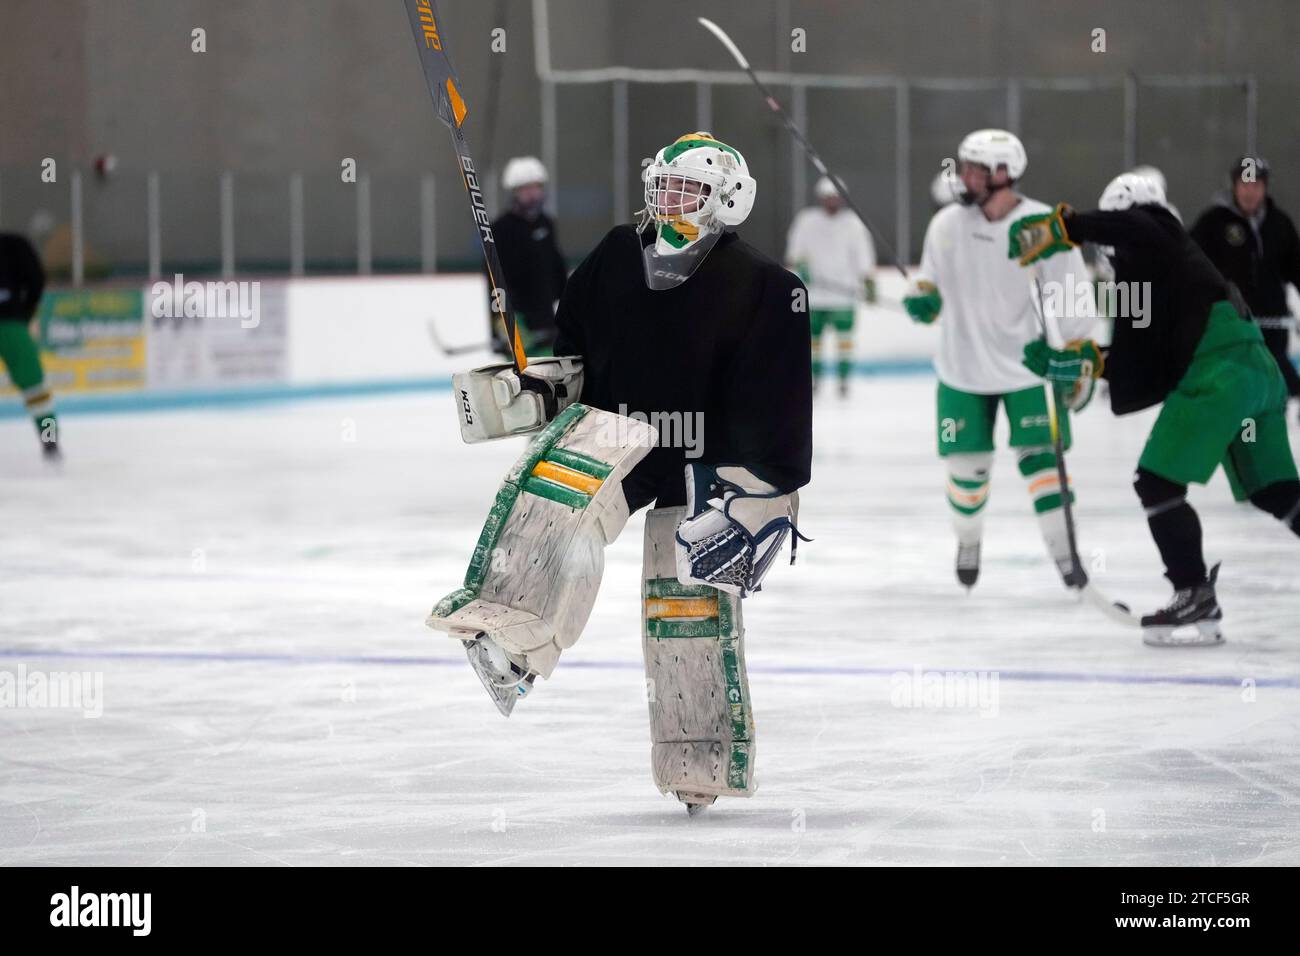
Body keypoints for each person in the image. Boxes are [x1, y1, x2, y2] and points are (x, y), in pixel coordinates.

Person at [428, 132, 812, 814]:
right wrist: (542, 387)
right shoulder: (613, 256)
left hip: (704, 458)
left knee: (687, 611)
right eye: (662, 185)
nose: (669, 200)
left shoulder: (766, 286)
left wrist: (768, 492)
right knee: (557, 521)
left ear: (728, 199)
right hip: (616, 431)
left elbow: (779, 404)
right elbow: (576, 348)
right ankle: (516, 650)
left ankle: (702, 765)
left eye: (688, 189)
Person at [1009, 172, 1300, 645]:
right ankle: (1194, 593)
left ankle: (1192, 593)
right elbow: (1140, 366)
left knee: (1158, 482)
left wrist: (1068, 226)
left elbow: (1138, 228)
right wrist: (1080, 363)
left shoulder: (1158, 230)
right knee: (1277, 492)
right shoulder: (1154, 280)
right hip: (1254, 378)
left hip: (1219, 377)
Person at [902, 129, 1096, 589]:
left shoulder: (1042, 226)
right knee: (967, 474)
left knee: (1043, 466)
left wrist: (1076, 357)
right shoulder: (947, 224)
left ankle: (1067, 558)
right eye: (964, 167)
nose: (963, 178)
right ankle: (968, 541)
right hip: (961, 370)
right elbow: (928, 280)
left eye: (975, 170)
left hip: (1029, 372)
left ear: (1004, 174)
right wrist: (922, 297)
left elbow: (1071, 299)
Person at [1190, 157, 1300, 415]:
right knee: (1232, 393)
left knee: (1271, 395)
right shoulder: (1213, 222)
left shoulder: (1279, 223)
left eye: (1256, 185)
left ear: (1265, 187)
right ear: (1234, 186)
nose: (1250, 191)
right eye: (1245, 184)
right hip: (1228, 326)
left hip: (1272, 329)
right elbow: (1191, 263)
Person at [785, 175, 876, 396]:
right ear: (821, 198)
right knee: (813, 344)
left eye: (835, 197)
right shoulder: (806, 221)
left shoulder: (853, 224)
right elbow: (794, 252)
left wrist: (869, 281)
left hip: (844, 295)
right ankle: (815, 380)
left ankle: (844, 381)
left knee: (845, 342)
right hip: (814, 295)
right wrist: (801, 265)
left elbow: (863, 256)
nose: (831, 201)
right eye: (828, 197)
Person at [486, 156, 568, 355]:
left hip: (546, 329)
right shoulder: (500, 229)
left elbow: (557, 272)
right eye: (525, 189)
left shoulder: (546, 224)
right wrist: (502, 324)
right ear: (514, 192)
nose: (532, 194)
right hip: (517, 329)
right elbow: (494, 281)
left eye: (536, 187)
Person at [0, 232, 58, 458]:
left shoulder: (14, 244)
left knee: (36, 388)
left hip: (13, 321)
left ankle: (50, 440)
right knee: (36, 388)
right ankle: (51, 440)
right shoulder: (14, 245)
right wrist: (25, 311)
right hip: (12, 321)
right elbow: (37, 280)